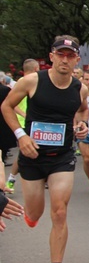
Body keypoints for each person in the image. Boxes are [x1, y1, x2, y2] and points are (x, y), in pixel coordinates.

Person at [1, 35, 89, 263]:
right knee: (35, 213)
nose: (65, 59)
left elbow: (82, 110)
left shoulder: (79, 88)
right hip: (32, 157)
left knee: (60, 212)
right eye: (60, 54)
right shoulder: (31, 81)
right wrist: (21, 135)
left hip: (62, 157)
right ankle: (31, 214)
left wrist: (81, 126)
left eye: (70, 55)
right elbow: (6, 106)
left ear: (77, 59)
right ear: (51, 56)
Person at [5, 59, 40, 193]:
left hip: (33, 123)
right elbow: (10, 105)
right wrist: (25, 115)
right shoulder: (23, 83)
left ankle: (44, 176)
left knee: (37, 149)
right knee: (25, 153)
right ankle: (12, 178)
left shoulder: (36, 83)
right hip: (22, 122)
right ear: (36, 69)